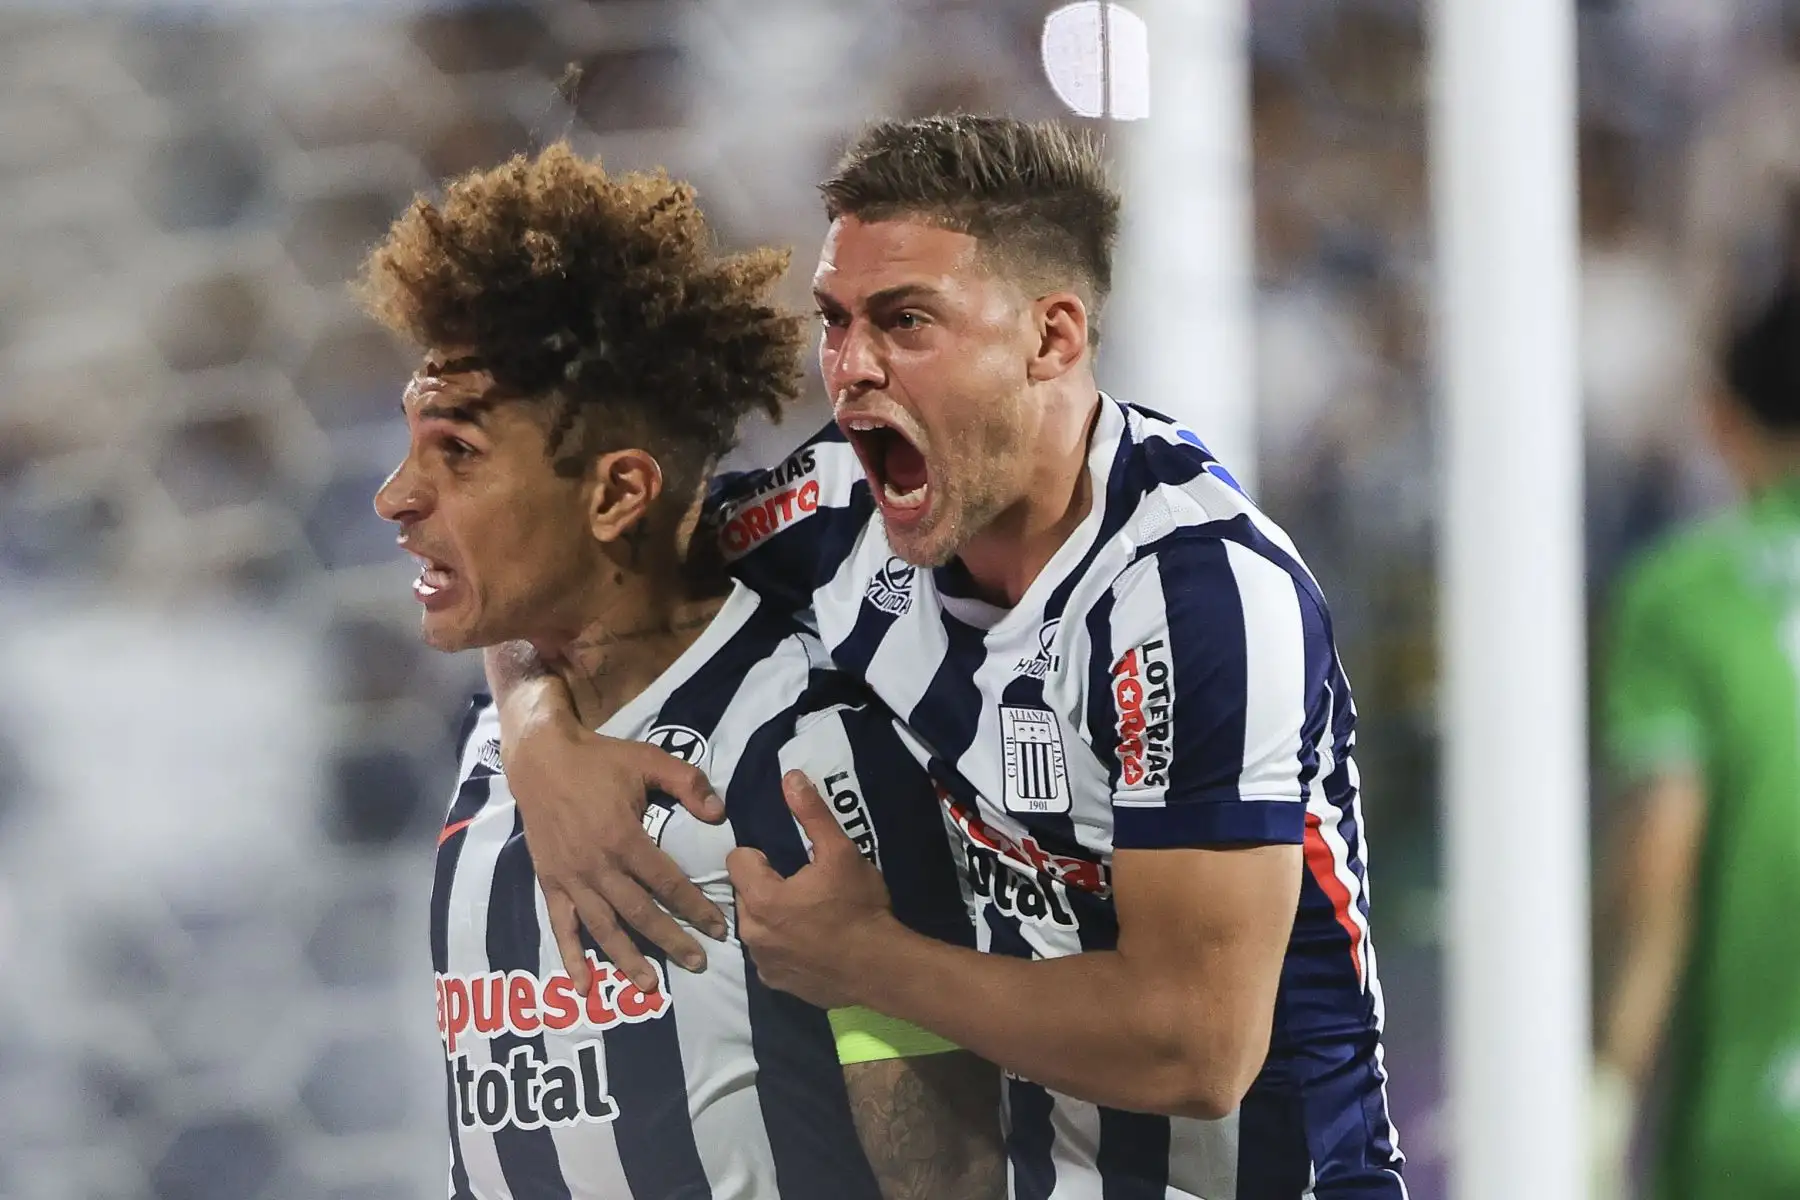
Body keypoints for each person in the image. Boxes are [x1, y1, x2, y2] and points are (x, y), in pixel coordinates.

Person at [492, 116, 1404, 1198]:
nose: (848, 369)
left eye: (905, 321)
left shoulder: (1194, 596)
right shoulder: (842, 510)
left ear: (1051, 339)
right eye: (834, 321)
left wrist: (864, 962)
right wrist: (537, 740)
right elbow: (565, 561)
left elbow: (1196, 1049)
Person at [359, 143, 1002, 1199]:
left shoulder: (804, 754)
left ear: (617, 494)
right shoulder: (496, 735)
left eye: (457, 454)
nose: (394, 496)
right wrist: (531, 724)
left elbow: (943, 1176)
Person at [1594, 265, 1800, 1200]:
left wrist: (1608, 1080)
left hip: (1756, 1130)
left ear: (1723, 420)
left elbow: (1660, 859)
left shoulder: (1685, 596)